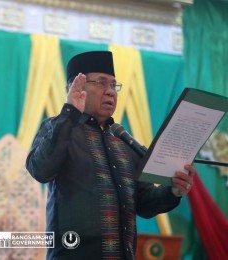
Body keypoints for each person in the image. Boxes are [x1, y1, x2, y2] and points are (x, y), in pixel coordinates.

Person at [26, 51, 196, 259]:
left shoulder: (123, 141)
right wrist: (69, 113)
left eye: (113, 85)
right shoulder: (58, 128)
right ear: (76, 87)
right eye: (101, 83)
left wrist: (174, 191)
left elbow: (143, 202)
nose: (110, 92)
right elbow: (40, 170)